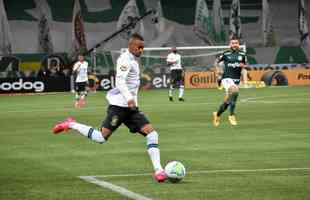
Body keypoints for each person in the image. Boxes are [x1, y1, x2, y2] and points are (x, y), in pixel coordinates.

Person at [52, 33, 167, 183]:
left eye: (143, 48)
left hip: (132, 110)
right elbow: (120, 81)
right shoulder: (125, 59)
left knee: (152, 134)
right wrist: (129, 98)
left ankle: (159, 171)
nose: (141, 50)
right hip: (119, 107)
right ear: (131, 46)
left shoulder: (133, 59)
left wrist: (133, 102)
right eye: (139, 47)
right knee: (101, 138)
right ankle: (71, 124)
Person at [212, 37, 247, 126]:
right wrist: (218, 70)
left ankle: (217, 114)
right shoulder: (226, 53)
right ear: (230, 44)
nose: (234, 44)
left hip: (236, 79)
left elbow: (246, 65)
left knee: (227, 102)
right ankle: (231, 115)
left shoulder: (242, 54)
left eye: (236, 43)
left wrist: (244, 66)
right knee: (235, 90)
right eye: (233, 43)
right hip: (226, 78)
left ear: (238, 44)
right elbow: (216, 62)